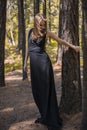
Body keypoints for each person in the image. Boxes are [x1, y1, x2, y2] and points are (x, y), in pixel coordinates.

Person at [24, 13, 80, 130]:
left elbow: (60, 41)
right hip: (34, 66)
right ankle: (44, 114)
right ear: (36, 22)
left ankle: (50, 117)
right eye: (41, 23)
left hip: (44, 64)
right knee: (37, 91)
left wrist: (73, 47)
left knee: (47, 91)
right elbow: (28, 49)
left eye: (44, 23)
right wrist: (25, 63)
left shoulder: (46, 32)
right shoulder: (29, 32)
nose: (43, 25)